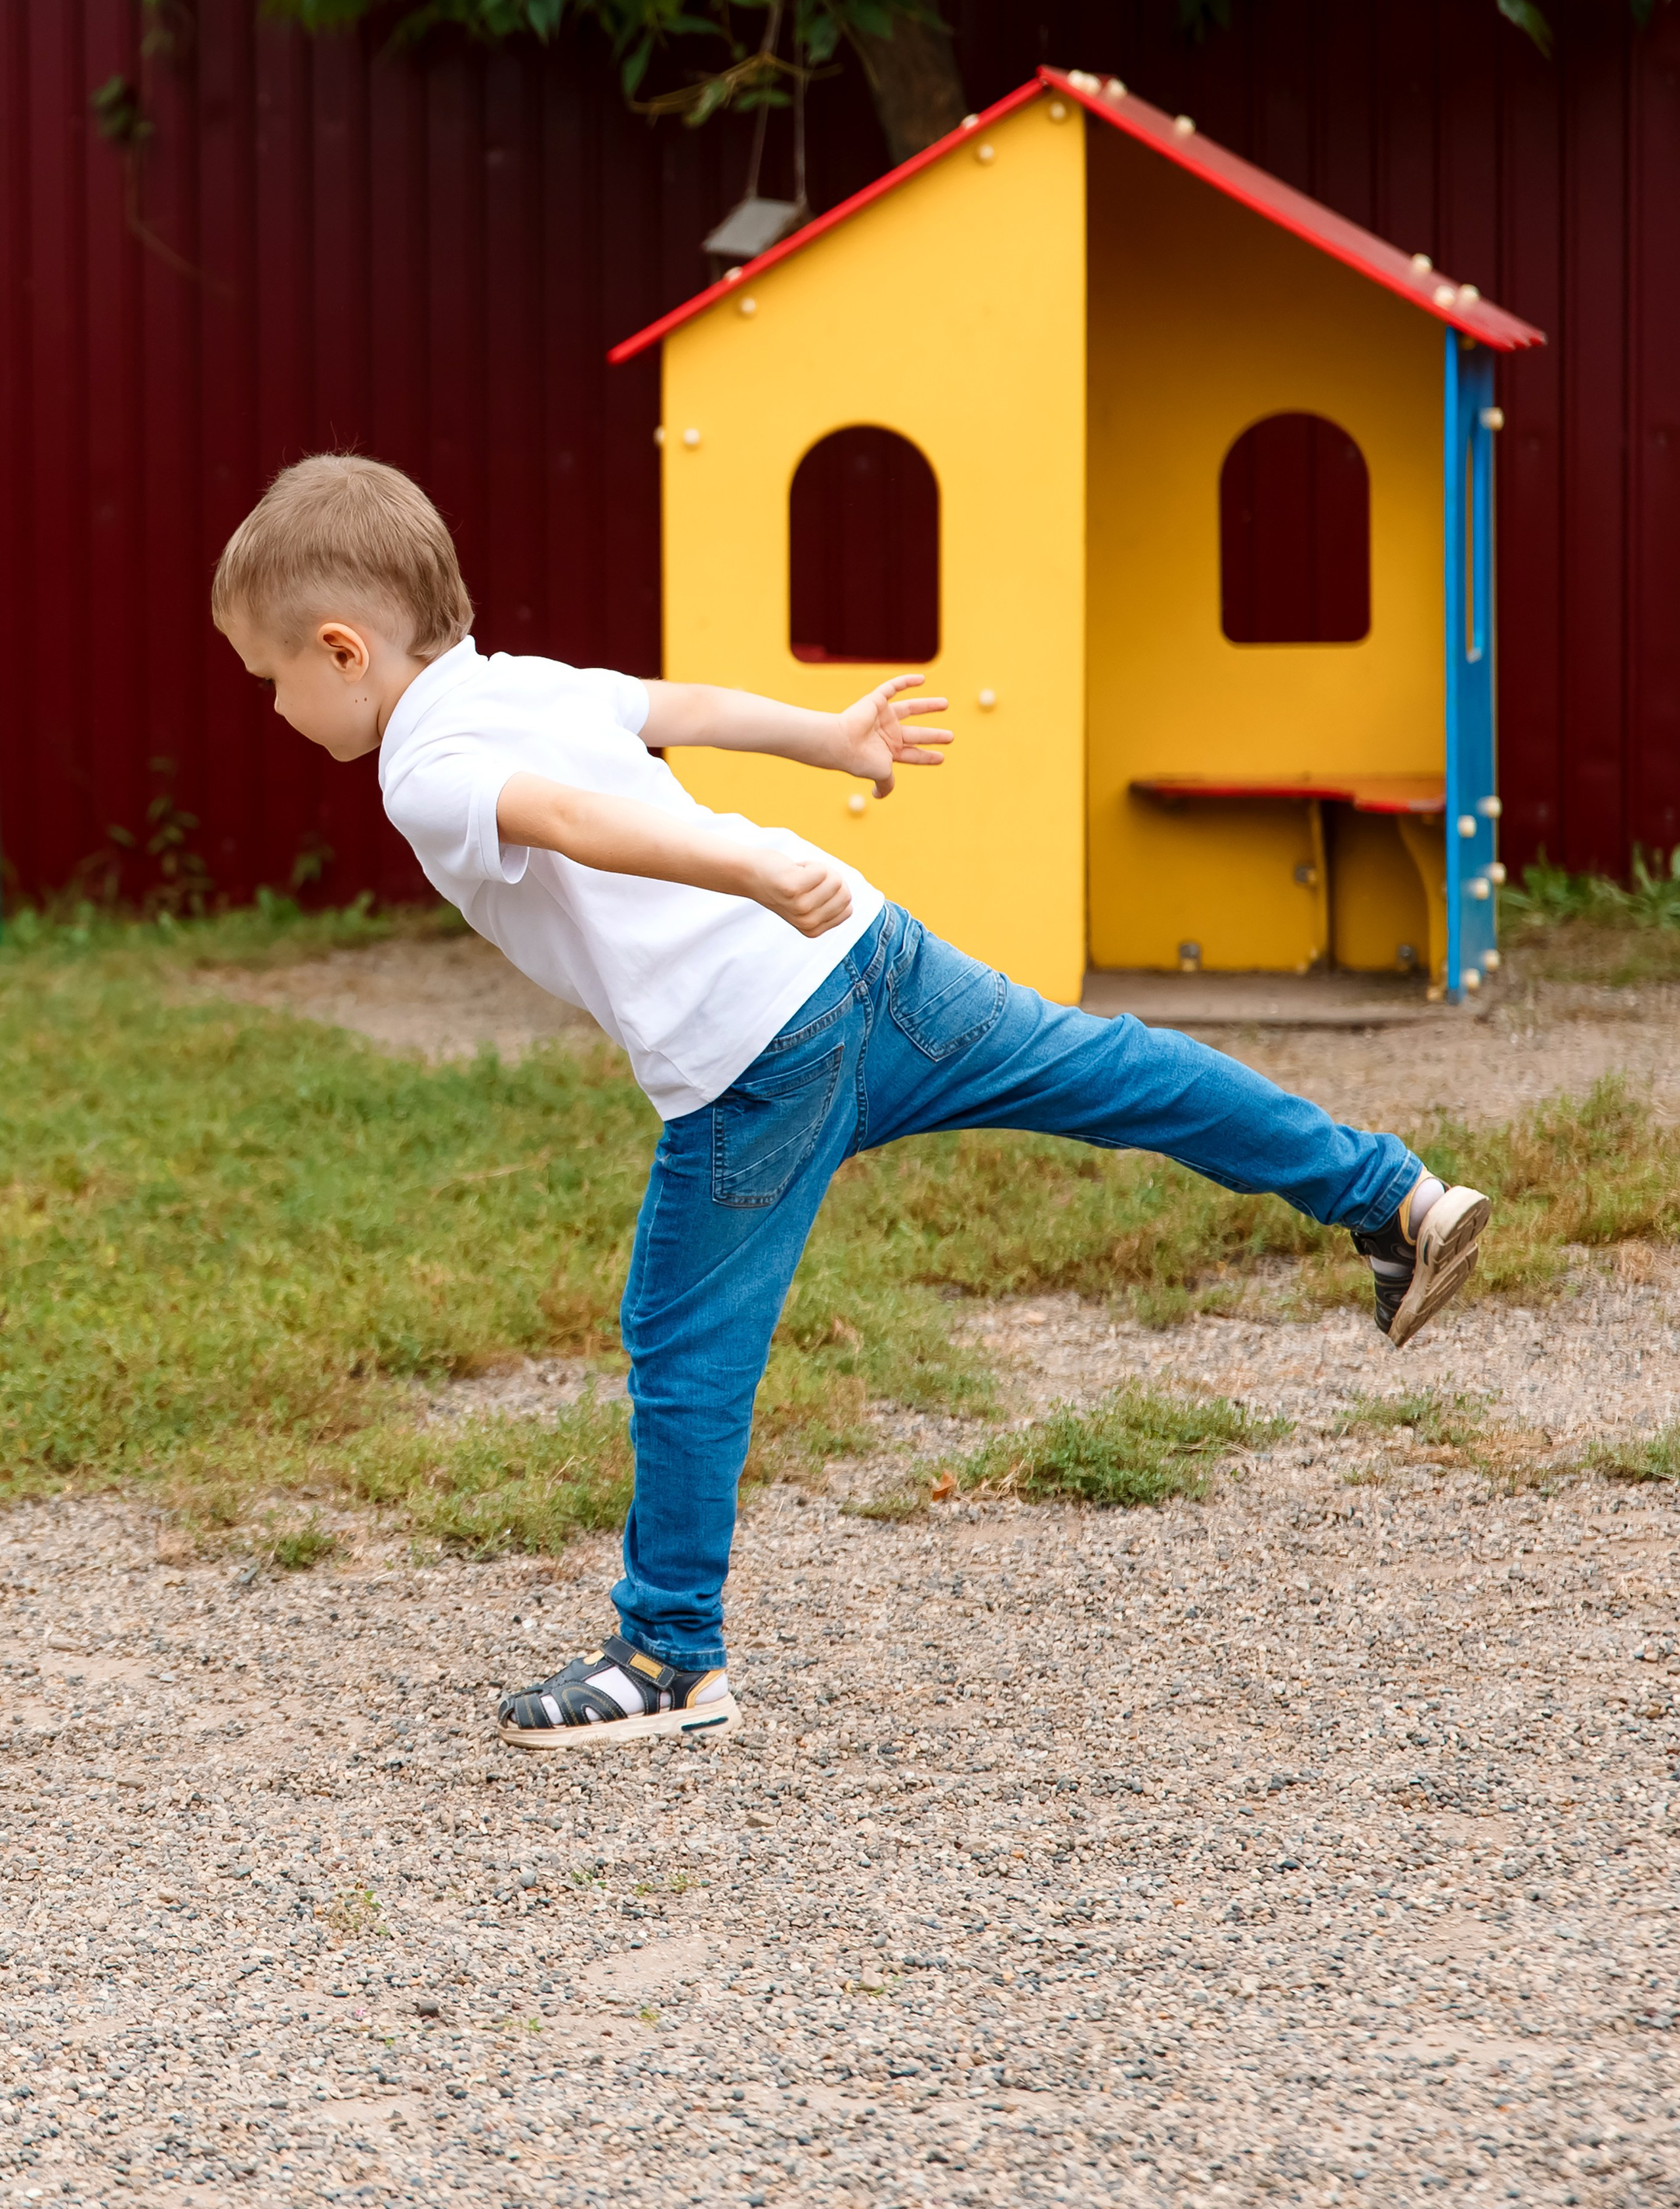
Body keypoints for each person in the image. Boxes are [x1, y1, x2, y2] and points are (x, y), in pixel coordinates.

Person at [212, 453, 1491, 1756]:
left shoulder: (424, 769)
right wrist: (827, 738)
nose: (272, 703)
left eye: (270, 678)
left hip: (756, 1053)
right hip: (871, 956)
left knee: (682, 1335)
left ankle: (667, 1655)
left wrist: (746, 862)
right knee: (1116, 1072)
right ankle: (1391, 1193)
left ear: (344, 649)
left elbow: (574, 819)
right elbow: (681, 705)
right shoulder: (522, 681)